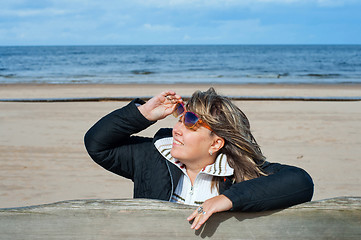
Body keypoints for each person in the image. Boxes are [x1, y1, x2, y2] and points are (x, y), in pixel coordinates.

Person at [84, 87, 314, 230]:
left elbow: (300, 181)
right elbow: (97, 144)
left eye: (191, 124)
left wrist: (227, 199)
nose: (177, 130)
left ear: (216, 143)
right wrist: (144, 113)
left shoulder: (239, 174)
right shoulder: (151, 157)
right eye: (180, 118)